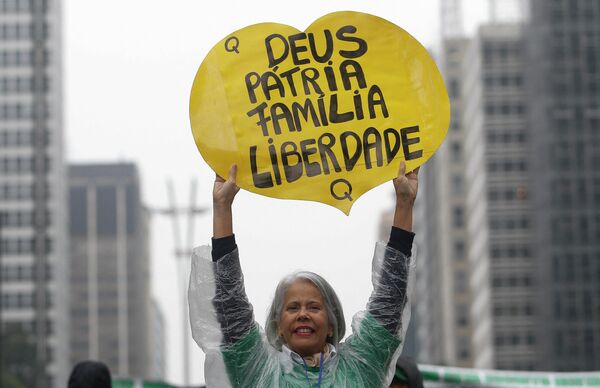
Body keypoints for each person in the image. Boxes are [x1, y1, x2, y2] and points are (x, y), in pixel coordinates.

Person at [189, 161, 419, 387]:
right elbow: (231, 308)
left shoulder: (361, 367)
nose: (303, 314)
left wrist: (405, 203)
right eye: (292, 308)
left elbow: (390, 299)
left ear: (331, 324)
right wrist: (222, 207)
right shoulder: (258, 372)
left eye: (314, 307)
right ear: (278, 325)